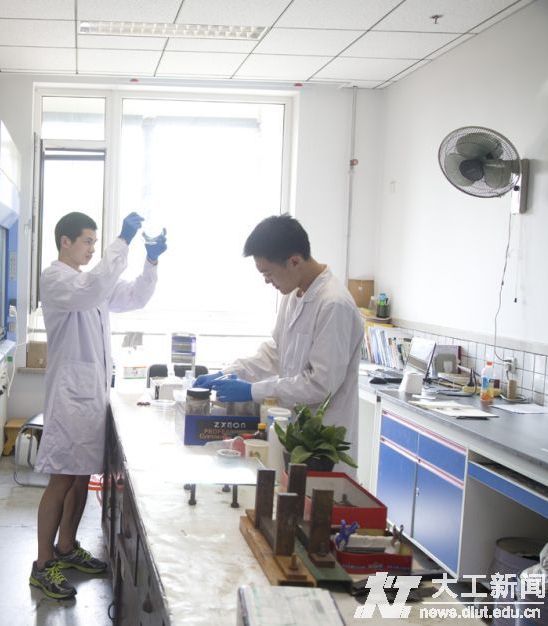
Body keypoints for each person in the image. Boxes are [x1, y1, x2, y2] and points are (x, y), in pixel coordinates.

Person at [30, 211, 167, 600]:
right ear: (65, 242)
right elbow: (92, 288)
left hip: (89, 396)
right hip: (69, 398)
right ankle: (42, 565)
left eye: (94, 242)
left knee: (79, 477)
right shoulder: (56, 279)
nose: (92, 248)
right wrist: (121, 242)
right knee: (61, 479)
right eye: (87, 241)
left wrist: (151, 261)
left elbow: (135, 296)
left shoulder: (91, 283)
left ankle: (66, 547)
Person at [194, 214, 363, 475]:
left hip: (322, 444)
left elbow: (321, 384)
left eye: (268, 273)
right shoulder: (293, 295)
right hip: (292, 433)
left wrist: (253, 391)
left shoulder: (334, 304)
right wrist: (228, 373)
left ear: (294, 261)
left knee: (312, 498)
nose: (266, 280)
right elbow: (275, 354)